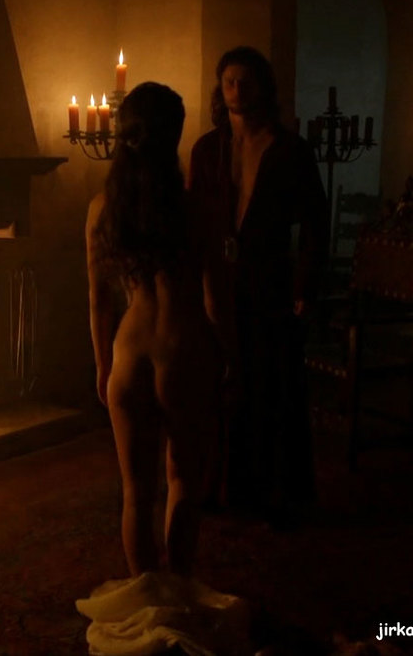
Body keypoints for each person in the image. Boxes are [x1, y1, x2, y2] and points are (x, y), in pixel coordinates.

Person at [78, 82, 248, 656]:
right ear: (173, 137)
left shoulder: (102, 208)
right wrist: (231, 357)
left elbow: (98, 301)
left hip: (129, 355)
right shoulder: (197, 206)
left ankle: (148, 611)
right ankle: (175, 601)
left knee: (135, 492)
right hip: (183, 349)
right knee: (183, 485)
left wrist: (102, 366)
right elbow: (216, 300)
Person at [188, 46, 330, 523]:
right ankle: (219, 485)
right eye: (229, 81)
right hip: (217, 284)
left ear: (263, 87)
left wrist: (304, 288)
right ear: (219, 87)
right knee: (221, 383)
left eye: (245, 81)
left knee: (272, 385)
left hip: (270, 282)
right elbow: (193, 219)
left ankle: (276, 490)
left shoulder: (290, 151)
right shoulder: (208, 150)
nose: (236, 90)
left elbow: (315, 225)